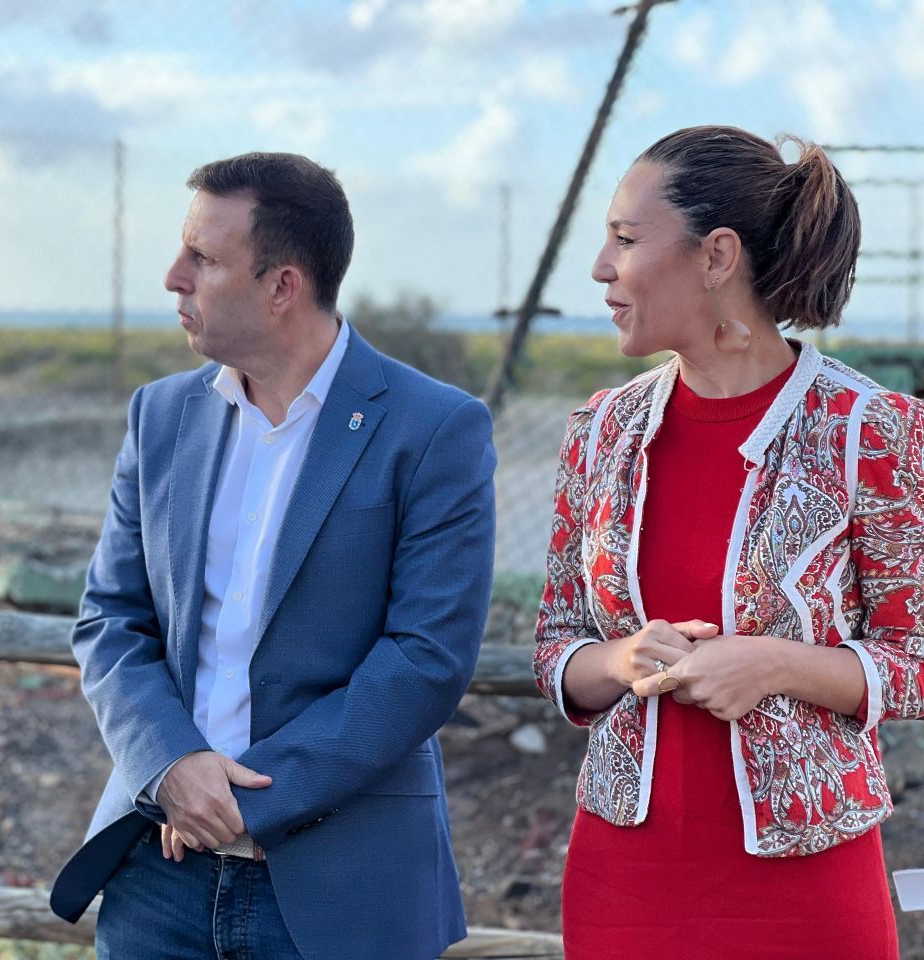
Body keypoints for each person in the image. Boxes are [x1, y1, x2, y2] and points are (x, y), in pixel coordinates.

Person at [49, 152, 497, 959]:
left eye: (203, 258)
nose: (173, 276)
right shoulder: (160, 415)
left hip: (341, 890)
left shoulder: (435, 428)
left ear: (282, 286)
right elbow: (111, 619)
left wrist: (236, 801)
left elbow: (426, 658)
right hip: (158, 879)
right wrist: (172, 765)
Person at [534, 124, 920, 960]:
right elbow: (557, 643)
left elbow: (915, 657)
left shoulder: (874, 430)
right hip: (623, 880)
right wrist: (619, 659)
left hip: (810, 884)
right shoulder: (599, 430)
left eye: (625, 239)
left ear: (716, 256)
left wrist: (775, 664)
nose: (600, 267)